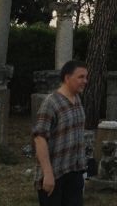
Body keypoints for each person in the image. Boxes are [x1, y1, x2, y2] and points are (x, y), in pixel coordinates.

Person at [33, 60, 88, 206]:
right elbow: (39, 139)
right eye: (80, 77)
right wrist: (48, 173)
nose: (85, 81)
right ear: (67, 78)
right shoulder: (50, 103)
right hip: (55, 173)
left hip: (74, 171)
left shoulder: (77, 99)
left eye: (86, 77)